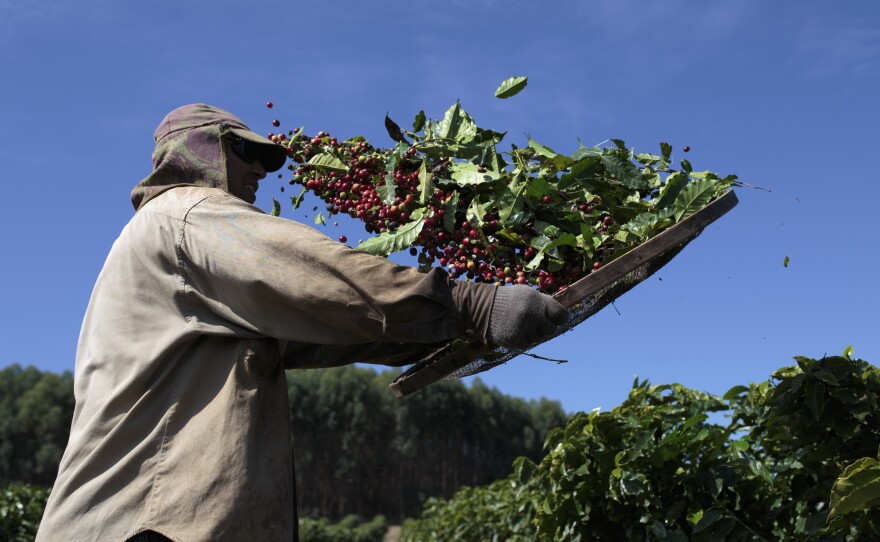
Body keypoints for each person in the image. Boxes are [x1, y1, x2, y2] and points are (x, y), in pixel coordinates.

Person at [35, 104, 569, 542]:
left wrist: (443, 333)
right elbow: (319, 276)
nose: (260, 172)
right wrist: (471, 304)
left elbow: (320, 332)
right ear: (199, 150)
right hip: (142, 526)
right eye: (244, 152)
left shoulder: (173, 263)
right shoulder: (186, 216)